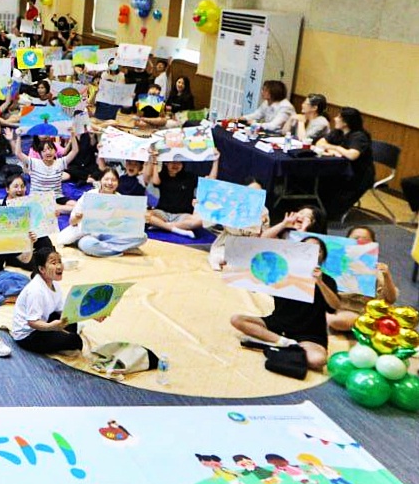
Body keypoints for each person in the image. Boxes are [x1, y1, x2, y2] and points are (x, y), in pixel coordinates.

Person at [230, 236, 339, 370]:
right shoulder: (282, 273)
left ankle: (271, 341)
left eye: (318, 250)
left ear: (323, 256)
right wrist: (231, 267)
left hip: (309, 332)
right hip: (279, 323)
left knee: (317, 360)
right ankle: (283, 343)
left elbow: (334, 307)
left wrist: (320, 282)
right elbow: (254, 281)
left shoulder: (328, 280)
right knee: (237, 320)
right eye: (306, 248)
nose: (312, 252)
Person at [11, 247, 90, 355]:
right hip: (28, 335)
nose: (59, 266)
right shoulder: (36, 290)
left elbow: (62, 310)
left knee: (71, 321)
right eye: (53, 263)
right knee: (75, 341)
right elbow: (32, 322)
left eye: (60, 262)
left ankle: (60, 338)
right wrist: (51, 327)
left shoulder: (54, 284)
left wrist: (92, 313)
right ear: (42, 269)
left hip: (44, 319)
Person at [58, 168, 148, 257]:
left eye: (113, 180)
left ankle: (109, 248)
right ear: (100, 180)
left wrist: (138, 218)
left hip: (111, 234)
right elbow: (72, 222)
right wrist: (78, 217)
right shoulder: (89, 196)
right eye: (106, 179)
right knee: (88, 245)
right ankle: (123, 249)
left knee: (142, 236)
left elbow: (126, 224)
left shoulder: (120, 199)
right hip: (89, 235)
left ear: (118, 183)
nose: (110, 183)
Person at [327, 226, 398, 332]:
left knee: (339, 321)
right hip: (332, 304)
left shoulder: (375, 269)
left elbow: (391, 299)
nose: (359, 242)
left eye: (365, 240)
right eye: (356, 239)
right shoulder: (332, 263)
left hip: (357, 310)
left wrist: (387, 276)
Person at [316, 107, 374, 220]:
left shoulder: (359, 136)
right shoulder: (338, 132)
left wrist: (336, 148)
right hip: (339, 171)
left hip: (357, 176)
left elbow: (352, 155)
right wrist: (334, 150)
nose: (335, 118)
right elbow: (320, 143)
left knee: (331, 204)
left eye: (338, 117)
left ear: (346, 122)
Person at [145, 150, 219, 238]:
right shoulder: (162, 176)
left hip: (183, 215)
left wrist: (216, 160)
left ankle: (162, 226)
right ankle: (176, 229)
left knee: (199, 221)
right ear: (166, 163)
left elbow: (211, 180)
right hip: (162, 213)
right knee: (144, 214)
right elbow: (155, 181)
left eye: (179, 163)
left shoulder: (189, 177)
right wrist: (154, 159)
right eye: (172, 162)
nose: (175, 165)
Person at [12, 133, 80, 214]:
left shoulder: (60, 162)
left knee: (79, 206)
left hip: (57, 197)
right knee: (73, 209)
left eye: (50, 149)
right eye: (44, 151)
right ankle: (54, 208)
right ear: (40, 154)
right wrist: (19, 136)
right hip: (40, 198)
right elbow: (18, 153)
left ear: (55, 151)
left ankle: (54, 208)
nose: (48, 152)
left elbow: (75, 151)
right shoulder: (34, 163)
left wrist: (72, 135)